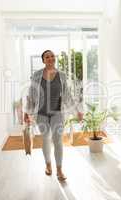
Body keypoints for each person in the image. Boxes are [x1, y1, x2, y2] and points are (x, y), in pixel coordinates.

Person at [24, 50, 83, 181]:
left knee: (58, 141)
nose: (50, 58)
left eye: (52, 56)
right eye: (47, 57)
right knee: (45, 139)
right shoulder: (37, 75)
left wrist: (76, 111)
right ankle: (48, 165)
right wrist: (27, 112)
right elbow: (31, 95)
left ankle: (60, 170)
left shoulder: (61, 75)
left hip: (57, 113)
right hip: (41, 114)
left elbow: (67, 96)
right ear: (43, 60)